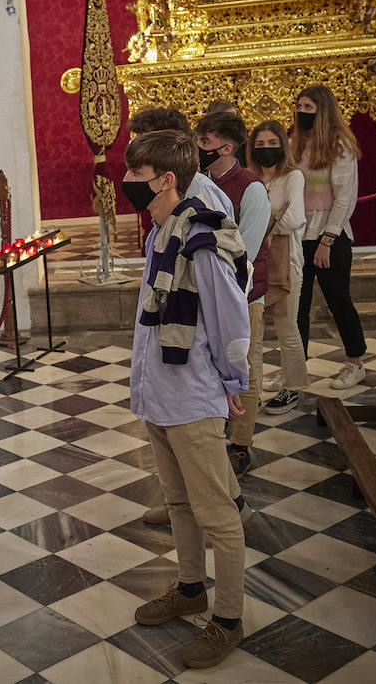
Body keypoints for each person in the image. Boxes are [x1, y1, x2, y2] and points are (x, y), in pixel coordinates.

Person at [122, 129, 250, 670]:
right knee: (177, 504)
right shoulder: (159, 235)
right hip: (160, 394)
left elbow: (230, 318)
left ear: (165, 178)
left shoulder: (199, 241)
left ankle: (228, 619)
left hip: (194, 397)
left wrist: (233, 382)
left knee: (218, 515)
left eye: (134, 175)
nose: (125, 183)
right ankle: (191, 587)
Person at [196, 112, 270, 476]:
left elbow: (246, 252)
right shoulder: (200, 182)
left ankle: (241, 444)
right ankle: (216, 428)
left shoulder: (251, 188)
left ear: (226, 148)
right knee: (212, 367)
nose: (199, 148)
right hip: (208, 295)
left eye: (205, 143)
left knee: (246, 368)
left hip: (244, 295)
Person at [292, 85, 366, 387]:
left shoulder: (339, 146)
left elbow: (344, 199)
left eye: (308, 108)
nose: (301, 112)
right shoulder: (294, 142)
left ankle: (355, 362)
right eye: (299, 106)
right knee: (298, 304)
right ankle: (296, 367)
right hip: (299, 233)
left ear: (322, 111)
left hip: (328, 236)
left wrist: (327, 240)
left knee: (338, 301)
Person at [250, 121, 311, 413]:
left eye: (271, 144)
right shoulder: (250, 179)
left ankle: (293, 387)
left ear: (282, 146)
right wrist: (275, 219)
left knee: (287, 329)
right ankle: (253, 392)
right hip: (255, 265)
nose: (266, 150)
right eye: (259, 145)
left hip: (287, 264)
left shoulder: (293, 177)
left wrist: (266, 226)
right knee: (255, 332)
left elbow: (296, 218)